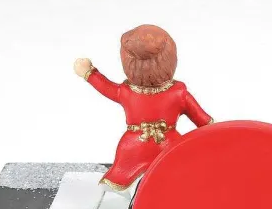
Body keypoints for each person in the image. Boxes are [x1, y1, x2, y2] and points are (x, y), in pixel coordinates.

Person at [74, 24, 213, 196]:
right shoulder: (179, 93)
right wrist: (216, 135)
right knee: (174, 175)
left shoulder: (126, 92)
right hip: (169, 147)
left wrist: (88, 72)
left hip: (133, 148)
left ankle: (142, 197)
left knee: (142, 181)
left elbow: (105, 86)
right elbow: (203, 121)